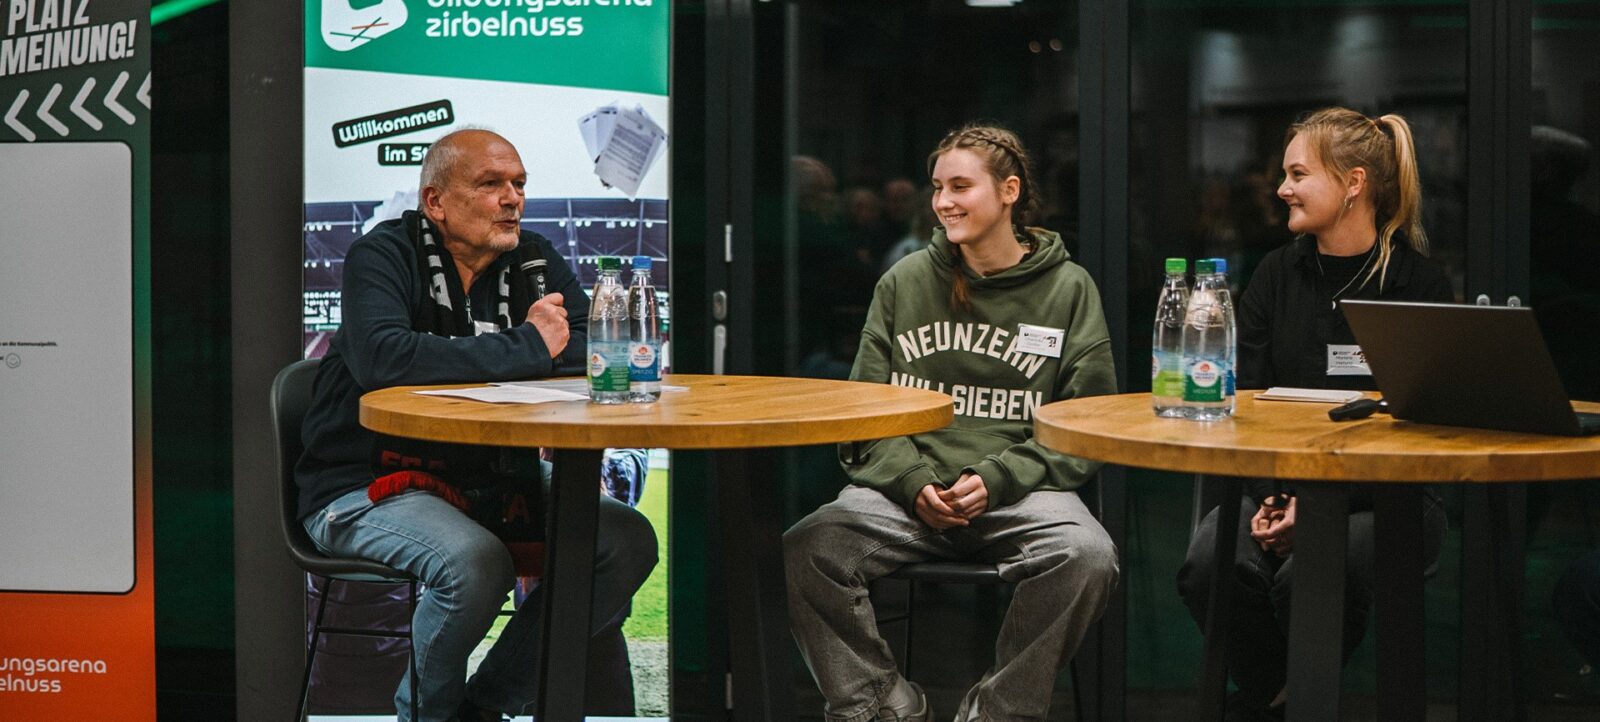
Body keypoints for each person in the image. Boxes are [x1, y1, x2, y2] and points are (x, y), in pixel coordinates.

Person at [294, 128, 658, 722]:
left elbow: (593, 346)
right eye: (490, 184)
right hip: (358, 483)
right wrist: (528, 346)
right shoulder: (383, 255)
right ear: (435, 201)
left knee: (624, 540)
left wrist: (515, 350)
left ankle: (483, 710)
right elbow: (385, 359)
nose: (512, 198)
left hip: (492, 480)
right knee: (476, 562)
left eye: (518, 184)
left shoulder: (535, 260)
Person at [785, 124, 1120, 722]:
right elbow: (861, 415)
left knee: (1087, 556)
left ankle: (998, 713)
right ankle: (882, 707)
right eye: (937, 187)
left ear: (1009, 191)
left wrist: (997, 476)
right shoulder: (904, 281)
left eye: (961, 186)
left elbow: (1085, 422)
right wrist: (913, 482)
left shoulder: (1069, 288)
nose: (943, 202)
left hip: (1021, 490)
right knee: (812, 545)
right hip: (906, 491)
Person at [1175, 107, 1453, 720]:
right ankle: (1283, 698)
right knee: (1206, 568)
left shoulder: (1418, 283)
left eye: (1298, 173)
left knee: (1307, 579)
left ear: (1354, 183)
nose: (1281, 188)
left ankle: (1273, 704)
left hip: (1390, 497)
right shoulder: (1275, 275)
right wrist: (1277, 495)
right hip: (1278, 481)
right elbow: (1242, 400)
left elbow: (1424, 427)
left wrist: (1321, 501)